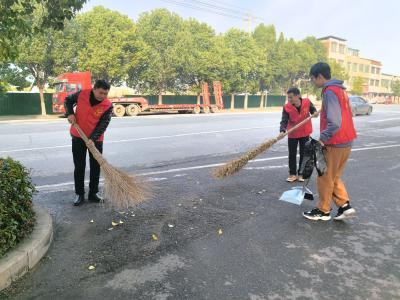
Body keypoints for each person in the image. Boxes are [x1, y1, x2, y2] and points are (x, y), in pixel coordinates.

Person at [303, 62, 357, 221]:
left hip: (334, 142)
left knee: (324, 176)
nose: (313, 82)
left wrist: (322, 139)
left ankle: (323, 210)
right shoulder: (340, 90)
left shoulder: (330, 92)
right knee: (334, 176)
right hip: (347, 141)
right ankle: (345, 206)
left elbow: (335, 122)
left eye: (313, 79)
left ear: (320, 76)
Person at [64, 80, 113, 206]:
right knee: (79, 166)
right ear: (94, 89)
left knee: (95, 166)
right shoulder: (82, 94)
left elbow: (103, 124)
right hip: (78, 136)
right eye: (101, 92)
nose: (103, 96)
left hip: (96, 140)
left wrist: (93, 138)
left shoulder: (108, 105)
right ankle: (79, 194)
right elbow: (68, 100)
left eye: (105, 94)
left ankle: (93, 193)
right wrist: (70, 113)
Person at [280, 87, 317, 183]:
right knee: (292, 154)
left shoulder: (307, 102)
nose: (289, 100)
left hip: (305, 132)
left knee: (304, 154)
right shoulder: (287, 107)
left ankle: (301, 174)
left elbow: (313, 111)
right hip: (293, 133)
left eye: (291, 97)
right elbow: (284, 121)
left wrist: (315, 113)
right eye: (288, 98)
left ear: (298, 96)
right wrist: (282, 130)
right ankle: (292, 174)